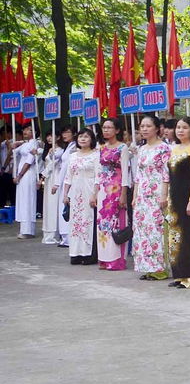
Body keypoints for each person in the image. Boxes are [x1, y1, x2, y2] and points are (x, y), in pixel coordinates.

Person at [131, 114, 171, 280]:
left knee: (156, 229)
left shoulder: (164, 148)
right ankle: (147, 267)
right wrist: (135, 196)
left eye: (148, 126)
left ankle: (160, 268)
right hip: (142, 194)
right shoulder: (141, 149)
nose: (145, 129)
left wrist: (164, 195)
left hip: (157, 193)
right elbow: (138, 175)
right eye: (142, 126)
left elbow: (167, 173)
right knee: (142, 230)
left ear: (157, 128)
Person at [166, 117, 190, 289]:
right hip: (174, 199)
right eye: (178, 127)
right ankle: (179, 275)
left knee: (188, 238)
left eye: (185, 127)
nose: (180, 130)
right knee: (175, 237)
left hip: (187, 198)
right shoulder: (174, 149)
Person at [93, 117, 133, 271]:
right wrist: (95, 192)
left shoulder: (122, 148)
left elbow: (125, 173)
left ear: (117, 130)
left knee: (116, 223)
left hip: (116, 189)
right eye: (104, 127)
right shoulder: (101, 148)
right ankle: (104, 258)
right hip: (103, 190)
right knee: (102, 224)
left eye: (109, 127)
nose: (106, 130)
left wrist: (124, 194)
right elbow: (98, 173)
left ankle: (116, 259)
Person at [62, 128, 99, 264]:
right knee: (75, 222)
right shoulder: (73, 156)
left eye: (86, 137)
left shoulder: (96, 155)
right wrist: (65, 195)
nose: (83, 139)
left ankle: (88, 254)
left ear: (92, 139)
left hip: (89, 190)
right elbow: (68, 177)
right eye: (80, 136)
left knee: (87, 221)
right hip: (75, 192)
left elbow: (98, 177)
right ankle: (75, 253)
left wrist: (94, 195)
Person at [40, 129, 69, 245]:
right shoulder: (49, 150)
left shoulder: (61, 151)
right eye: (47, 136)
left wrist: (42, 176)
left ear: (58, 137)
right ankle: (48, 232)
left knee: (54, 204)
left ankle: (55, 232)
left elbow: (53, 164)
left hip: (56, 177)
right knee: (48, 204)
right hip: (49, 179)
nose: (49, 138)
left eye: (51, 136)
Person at [12, 122, 39, 238]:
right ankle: (24, 229)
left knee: (28, 199)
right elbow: (14, 151)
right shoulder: (26, 143)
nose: (25, 132)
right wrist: (18, 143)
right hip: (22, 175)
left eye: (29, 130)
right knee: (22, 200)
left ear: (34, 132)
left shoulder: (35, 143)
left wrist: (19, 175)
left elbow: (29, 161)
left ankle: (28, 230)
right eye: (25, 129)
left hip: (27, 174)